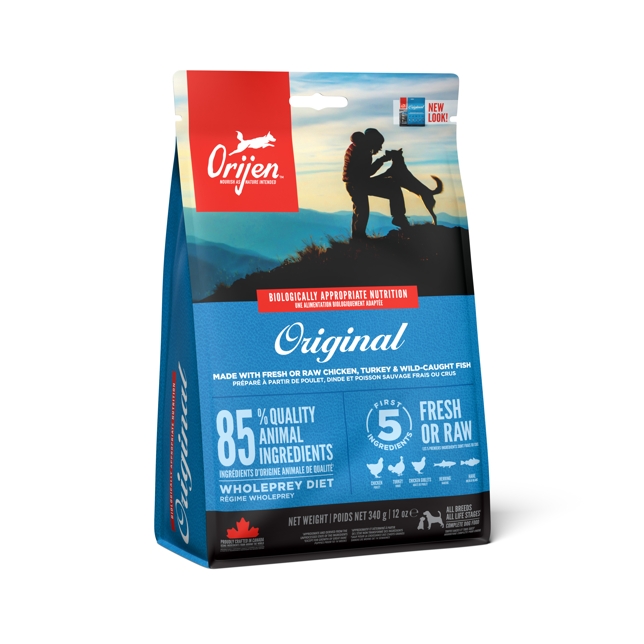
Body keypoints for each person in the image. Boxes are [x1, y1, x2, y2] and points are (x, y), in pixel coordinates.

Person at [342, 128, 409, 239]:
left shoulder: (358, 147)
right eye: (379, 144)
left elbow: (363, 172)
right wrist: (382, 160)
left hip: (354, 183)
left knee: (360, 210)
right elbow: (367, 172)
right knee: (363, 209)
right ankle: (398, 217)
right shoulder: (362, 150)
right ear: (373, 141)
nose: (380, 147)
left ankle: (357, 238)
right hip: (357, 184)